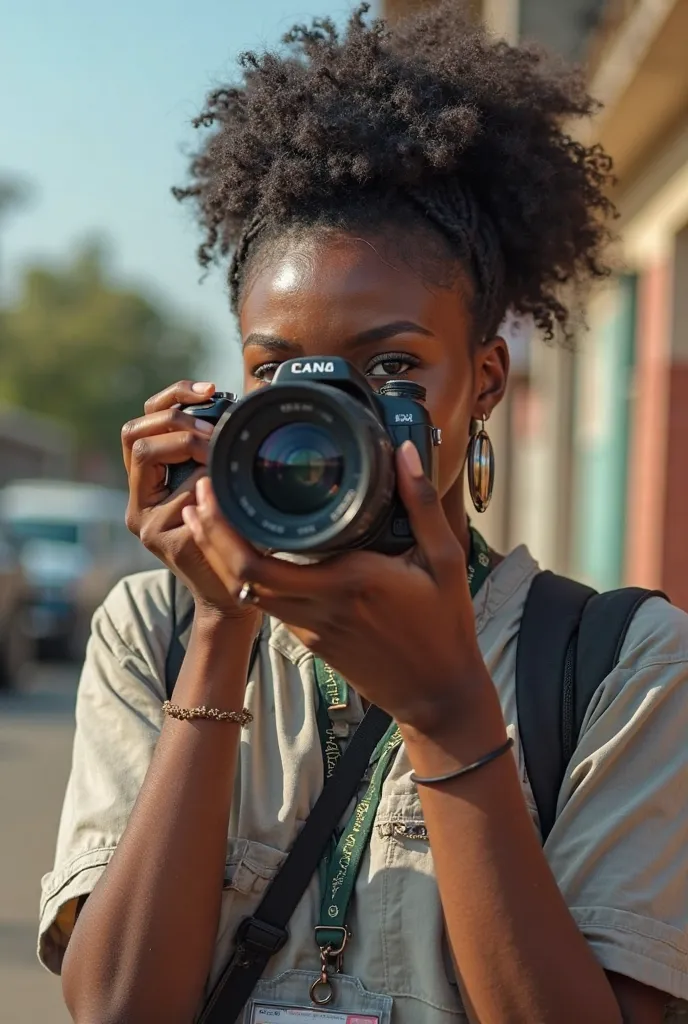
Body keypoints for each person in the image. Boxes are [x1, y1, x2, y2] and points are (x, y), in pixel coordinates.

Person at [39, 4, 688, 1022]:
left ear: (482, 383)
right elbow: (119, 1010)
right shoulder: (152, 633)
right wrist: (219, 629)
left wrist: (447, 713)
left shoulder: (618, 665)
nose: (325, 420)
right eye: (277, 376)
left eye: (389, 368)